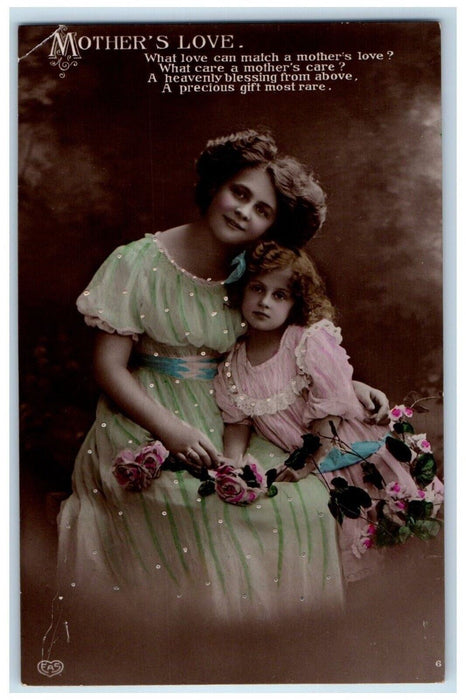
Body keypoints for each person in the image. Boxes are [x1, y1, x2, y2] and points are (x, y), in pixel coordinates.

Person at [54, 130, 390, 681]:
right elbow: (109, 368)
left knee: (300, 499)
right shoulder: (138, 261)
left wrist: (351, 389)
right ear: (214, 185)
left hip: (235, 412)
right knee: (188, 504)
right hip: (145, 414)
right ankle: (187, 661)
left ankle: (275, 661)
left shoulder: (258, 274)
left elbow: (286, 354)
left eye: (262, 210)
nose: (245, 212)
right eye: (239, 193)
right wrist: (171, 433)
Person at [214, 241, 444, 582]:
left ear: (296, 303)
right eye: (257, 289)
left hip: (348, 448)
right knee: (351, 545)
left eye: (280, 295)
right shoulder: (233, 364)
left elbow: (331, 408)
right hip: (316, 466)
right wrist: (231, 464)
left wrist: (310, 461)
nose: (264, 302)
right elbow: (238, 422)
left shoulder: (305, 340)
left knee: (396, 531)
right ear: (241, 291)